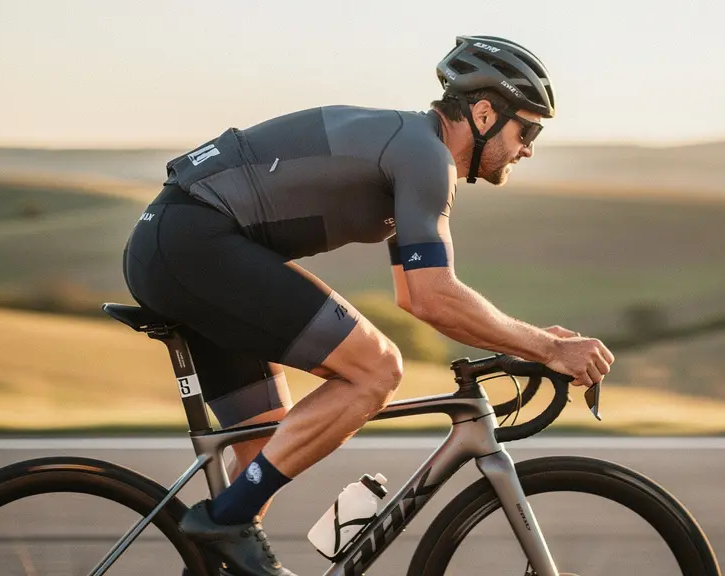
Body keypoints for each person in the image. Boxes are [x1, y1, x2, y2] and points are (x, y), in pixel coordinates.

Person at [122, 35, 614, 576]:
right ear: (482, 114)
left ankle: (220, 547)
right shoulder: (424, 156)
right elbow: (433, 297)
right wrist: (546, 348)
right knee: (376, 369)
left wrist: (534, 342)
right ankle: (224, 521)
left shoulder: (409, 149)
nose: (529, 149)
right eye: (528, 131)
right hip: (193, 243)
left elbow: (416, 294)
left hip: (182, 243)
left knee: (267, 445)